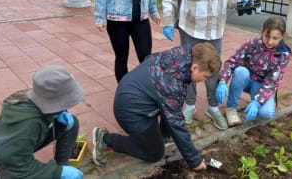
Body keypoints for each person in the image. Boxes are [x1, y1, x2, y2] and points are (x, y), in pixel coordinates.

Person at [161, 0, 247, 130]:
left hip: (215, 28)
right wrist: (168, 21)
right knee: (190, 67)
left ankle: (213, 106)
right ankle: (189, 104)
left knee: (212, 69)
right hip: (190, 27)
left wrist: (239, 1)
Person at [92, 42, 222, 171]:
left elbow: (149, 59)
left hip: (135, 94)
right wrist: (195, 160)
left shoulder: (181, 54)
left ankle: (162, 138)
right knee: (155, 154)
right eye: (205, 76)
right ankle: (104, 139)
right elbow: (176, 124)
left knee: (172, 108)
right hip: (130, 112)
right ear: (194, 67)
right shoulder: (172, 83)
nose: (204, 80)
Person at [0, 65, 85, 179]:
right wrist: (57, 172)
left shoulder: (36, 96)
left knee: (69, 125)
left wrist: (58, 113)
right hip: (0, 160)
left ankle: (62, 165)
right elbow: (18, 164)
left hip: (15, 146)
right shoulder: (27, 124)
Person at [215, 16, 292, 127]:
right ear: (262, 31)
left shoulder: (284, 55)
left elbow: (272, 81)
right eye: (267, 36)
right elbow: (232, 62)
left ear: (282, 36)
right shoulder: (252, 44)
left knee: (267, 114)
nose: (270, 42)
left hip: (261, 85)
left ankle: (254, 101)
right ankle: (231, 108)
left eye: (275, 38)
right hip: (244, 79)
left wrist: (258, 101)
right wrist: (222, 81)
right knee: (241, 71)